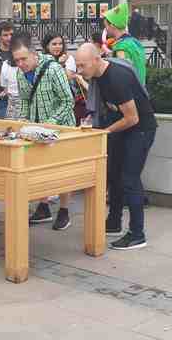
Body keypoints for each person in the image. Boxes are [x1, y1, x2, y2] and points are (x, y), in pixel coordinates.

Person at [75, 43, 157, 250]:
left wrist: (105, 132)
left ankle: (137, 234)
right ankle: (113, 222)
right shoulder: (99, 76)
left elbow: (132, 118)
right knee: (114, 175)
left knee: (130, 179)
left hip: (140, 129)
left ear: (96, 60)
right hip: (123, 128)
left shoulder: (116, 78)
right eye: (77, 66)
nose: (79, 71)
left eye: (82, 66)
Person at [12, 31, 76, 231]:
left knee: (63, 171)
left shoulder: (53, 69)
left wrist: (50, 123)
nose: (20, 64)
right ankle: (44, 206)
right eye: (16, 60)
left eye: (23, 59)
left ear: (33, 53)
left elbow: (68, 100)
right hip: (35, 129)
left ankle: (64, 211)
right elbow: (23, 99)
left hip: (61, 128)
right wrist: (20, 121)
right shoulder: (19, 73)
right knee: (38, 168)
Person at [43, 32, 89, 125]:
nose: (58, 47)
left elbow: (66, 77)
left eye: (60, 44)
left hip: (66, 99)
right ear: (47, 46)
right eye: (54, 44)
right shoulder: (43, 59)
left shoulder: (68, 58)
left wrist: (61, 64)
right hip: (48, 100)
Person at [103, 2, 147, 85]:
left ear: (112, 26)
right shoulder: (134, 42)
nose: (105, 29)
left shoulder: (121, 48)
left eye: (106, 26)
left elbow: (122, 77)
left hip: (131, 96)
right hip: (141, 92)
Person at [0, 22, 14, 118]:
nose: (9, 37)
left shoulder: (17, 51)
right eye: (5, 35)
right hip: (4, 99)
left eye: (11, 34)